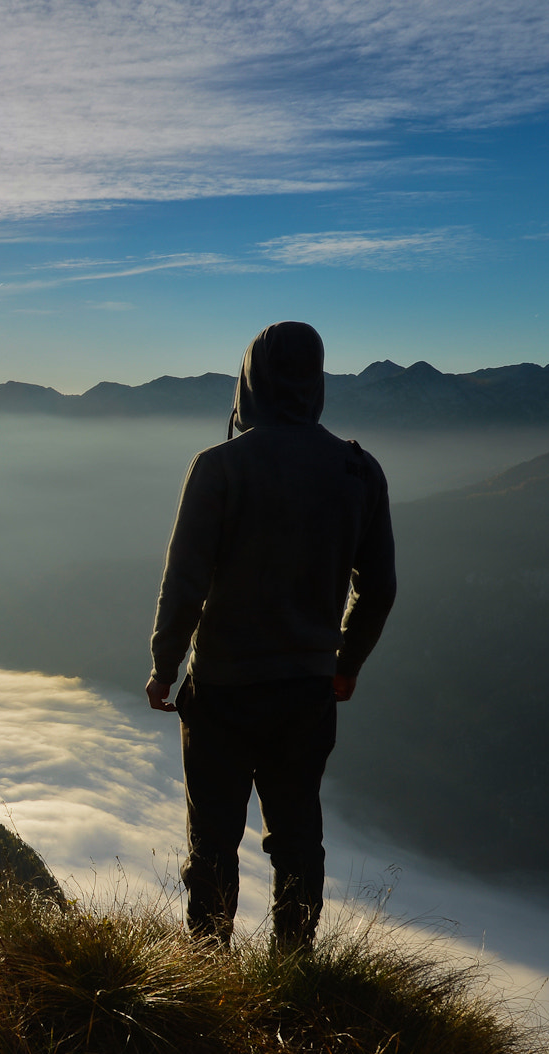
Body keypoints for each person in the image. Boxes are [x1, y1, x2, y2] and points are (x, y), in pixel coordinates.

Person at [144, 321, 395, 951]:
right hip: (308, 691)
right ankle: (295, 968)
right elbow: (379, 588)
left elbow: (185, 585)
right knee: (297, 837)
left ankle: (207, 970)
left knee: (214, 841)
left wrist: (164, 666)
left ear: (248, 381)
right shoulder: (359, 470)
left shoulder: (219, 467)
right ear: (317, 382)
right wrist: (346, 662)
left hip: (224, 689)